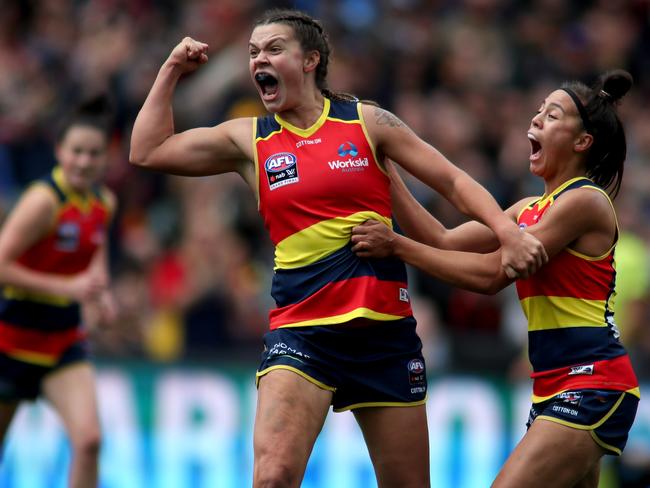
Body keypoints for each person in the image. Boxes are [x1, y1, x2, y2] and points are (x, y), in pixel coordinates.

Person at [129, 8, 546, 487]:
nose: (258, 59)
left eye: (272, 49)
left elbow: (451, 179)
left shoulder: (367, 121)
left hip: (384, 338)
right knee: (273, 476)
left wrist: (507, 231)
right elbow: (147, 150)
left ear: (310, 60)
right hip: (303, 334)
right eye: (252, 52)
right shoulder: (251, 138)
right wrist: (171, 71)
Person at [351, 70, 640, 488]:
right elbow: (442, 238)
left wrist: (396, 246)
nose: (536, 120)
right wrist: (384, 163)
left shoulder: (586, 202)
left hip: (593, 383)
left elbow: (491, 276)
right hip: (553, 387)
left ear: (583, 142)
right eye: (538, 111)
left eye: (552, 115)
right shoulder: (527, 209)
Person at [0, 97, 117, 488]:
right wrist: (67, 287)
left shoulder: (103, 203)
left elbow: (94, 252)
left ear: (106, 158)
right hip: (11, 337)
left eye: (94, 154)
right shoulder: (43, 202)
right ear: (59, 152)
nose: (84, 162)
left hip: (62, 337)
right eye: (77, 152)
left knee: (89, 441)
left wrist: (101, 295)